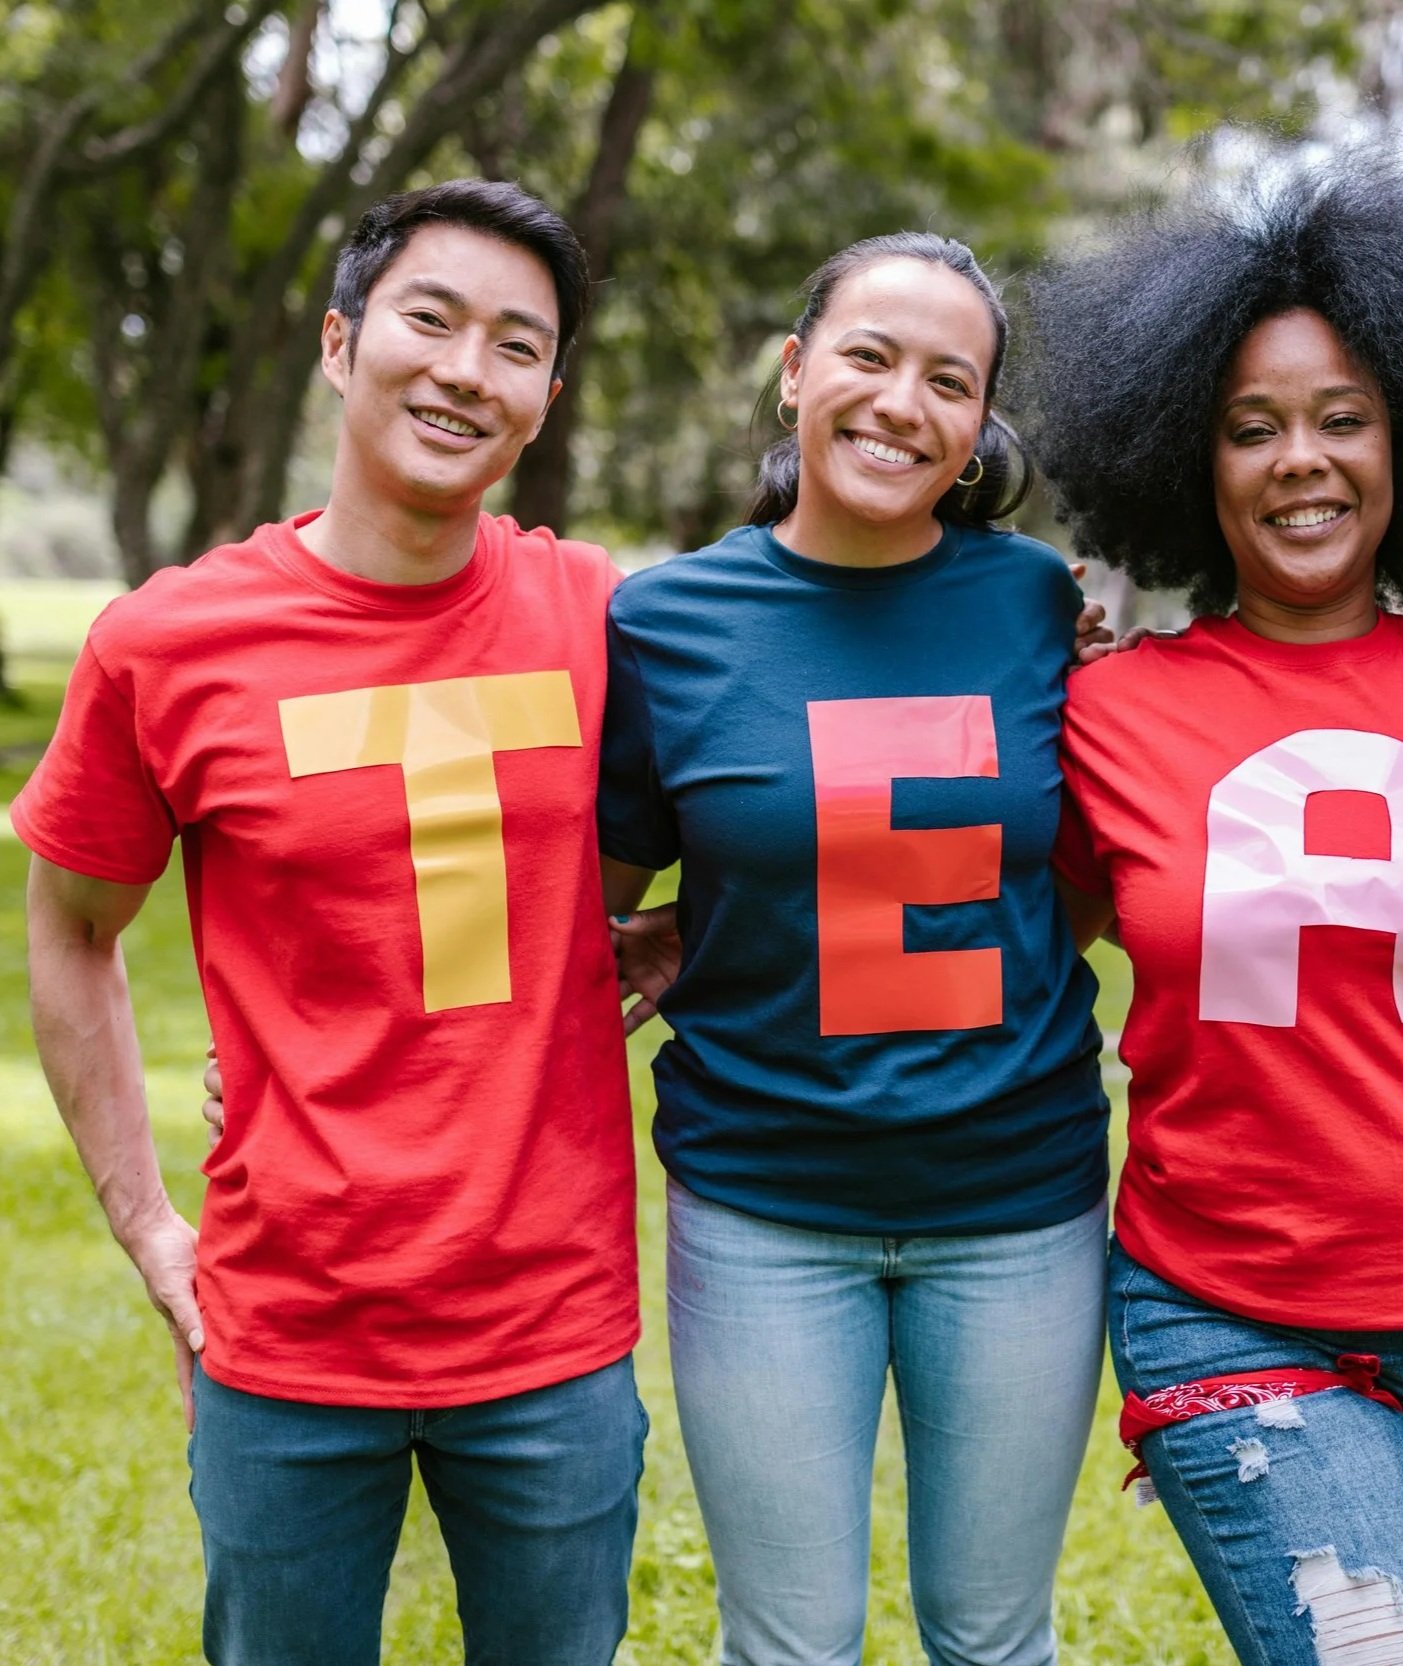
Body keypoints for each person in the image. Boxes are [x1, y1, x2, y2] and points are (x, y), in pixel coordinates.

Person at [15, 180, 648, 1665]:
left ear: (544, 400)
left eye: (515, 345)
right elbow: (72, 927)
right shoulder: (166, 644)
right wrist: (147, 1226)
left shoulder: (597, 616)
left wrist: (679, 936)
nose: (463, 369)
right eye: (430, 319)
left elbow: (788, 781)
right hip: (287, 1330)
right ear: (339, 340)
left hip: (549, 1329)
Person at [1013, 150, 1403, 1666]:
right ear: (1185, 459)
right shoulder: (1104, 714)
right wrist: (710, 918)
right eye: (1249, 428)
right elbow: (980, 901)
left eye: (1344, 419)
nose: (1300, 461)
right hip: (1233, 1305)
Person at [596, 233, 1110, 1666]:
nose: (902, 401)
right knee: (788, 1642)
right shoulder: (665, 624)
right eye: (870, 356)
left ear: (977, 432)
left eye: (950, 380)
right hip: (765, 1206)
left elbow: (1071, 872)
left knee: (994, 1635)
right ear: (794, 372)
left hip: (1018, 1202)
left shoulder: (1035, 606)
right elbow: (576, 913)